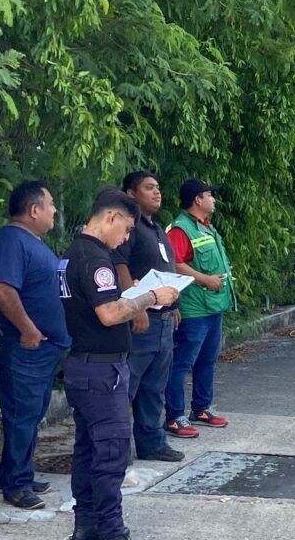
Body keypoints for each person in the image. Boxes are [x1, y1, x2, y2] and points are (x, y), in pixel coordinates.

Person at [60, 189, 179, 540]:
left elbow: (96, 304)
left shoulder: (70, 254)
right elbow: (109, 314)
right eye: (126, 229)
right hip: (102, 371)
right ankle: (111, 530)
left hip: (82, 365)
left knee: (86, 451)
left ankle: (86, 525)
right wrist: (152, 297)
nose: (126, 238)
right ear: (110, 218)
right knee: (111, 455)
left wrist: (133, 293)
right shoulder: (97, 260)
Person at [0, 181, 72, 510]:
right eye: (50, 205)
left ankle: (13, 472)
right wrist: (28, 329)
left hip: (44, 349)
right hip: (26, 348)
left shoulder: (32, 242)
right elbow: (3, 289)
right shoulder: (11, 241)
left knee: (31, 414)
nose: (54, 211)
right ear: (34, 210)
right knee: (22, 415)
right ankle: (17, 486)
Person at [113, 171, 196, 457]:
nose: (157, 192)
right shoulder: (128, 228)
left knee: (154, 387)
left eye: (158, 187)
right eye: (149, 188)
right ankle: (117, 450)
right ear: (131, 194)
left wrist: (173, 307)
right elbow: (120, 265)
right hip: (140, 319)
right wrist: (133, 305)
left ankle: (152, 443)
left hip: (162, 320)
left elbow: (166, 272)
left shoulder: (158, 229)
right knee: (129, 387)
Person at [164, 179, 235, 435]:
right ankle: (174, 416)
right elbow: (175, 264)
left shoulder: (205, 228)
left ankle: (201, 408)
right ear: (197, 200)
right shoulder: (180, 229)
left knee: (207, 360)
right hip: (194, 309)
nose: (213, 200)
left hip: (213, 306)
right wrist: (205, 279)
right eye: (209, 195)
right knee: (182, 363)